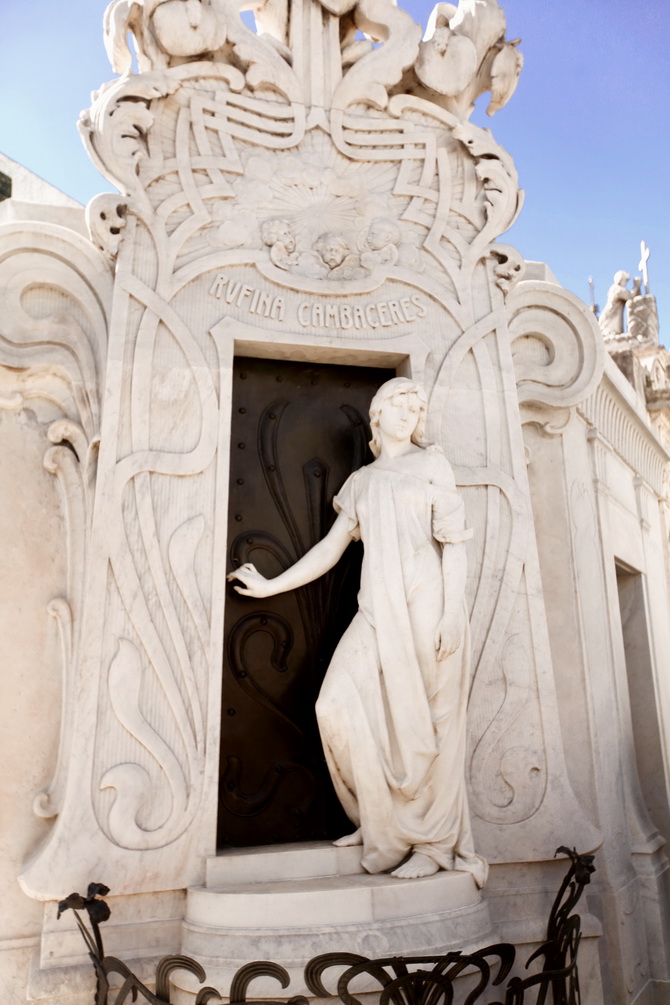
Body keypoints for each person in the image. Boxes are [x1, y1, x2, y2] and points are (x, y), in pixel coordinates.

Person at [228, 377, 487, 886]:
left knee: (428, 731)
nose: (409, 414)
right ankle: (377, 821)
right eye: (399, 405)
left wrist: (453, 612)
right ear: (377, 414)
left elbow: (454, 543)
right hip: (378, 607)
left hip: (427, 604)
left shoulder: (432, 465)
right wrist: (271, 586)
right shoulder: (362, 482)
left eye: (416, 408)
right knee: (335, 706)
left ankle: (432, 844)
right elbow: (331, 549)